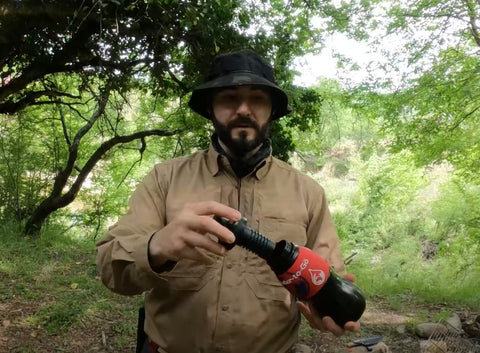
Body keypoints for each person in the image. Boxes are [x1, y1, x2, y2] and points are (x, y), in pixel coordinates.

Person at [96, 49, 360, 353]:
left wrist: (325, 310)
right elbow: (110, 269)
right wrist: (157, 246)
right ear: (211, 108)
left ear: (272, 110)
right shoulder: (164, 180)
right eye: (229, 98)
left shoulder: (308, 192)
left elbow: (326, 281)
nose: (244, 109)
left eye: (258, 98)